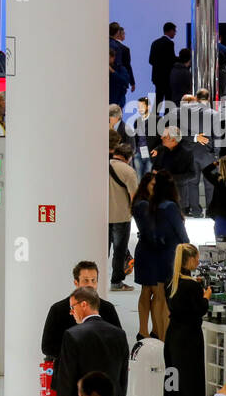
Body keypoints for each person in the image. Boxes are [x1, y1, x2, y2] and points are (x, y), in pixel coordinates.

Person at [133, 169, 188, 339]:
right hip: (154, 251)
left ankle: (152, 331)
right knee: (156, 292)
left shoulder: (147, 205)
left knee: (152, 291)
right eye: (152, 184)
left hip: (150, 249)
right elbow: (157, 231)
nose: (154, 187)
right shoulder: (149, 205)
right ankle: (154, 331)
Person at [163, 243, 210, 396]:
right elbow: (199, 310)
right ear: (188, 260)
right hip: (189, 337)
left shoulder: (171, 283)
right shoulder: (192, 285)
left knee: (173, 379)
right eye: (196, 258)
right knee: (190, 379)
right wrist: (205, 296)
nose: (198, 261)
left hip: (173, 336)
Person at [41, 261, 121, 361]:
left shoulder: (107, 308)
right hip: (67, 368)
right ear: (76, 282)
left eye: (93, 280)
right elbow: (47, 347)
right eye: (86, 281)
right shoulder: (58, 310)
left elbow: (118, 342)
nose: (90, 285)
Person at [107, 144, 138, 293]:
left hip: (101, 216)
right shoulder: (128, 171)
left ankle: (94, 280)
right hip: (121, 216)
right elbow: (134, 197)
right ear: (129, 158)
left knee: (101, 249)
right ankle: (116, 282)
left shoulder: (100, 165)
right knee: (119, 251)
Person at [149, 22, 177, 108]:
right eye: (174, 31)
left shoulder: (155, 42)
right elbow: (171, 60)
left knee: (158, 99)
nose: (175, 33)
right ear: (170, 31)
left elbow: (151, 60)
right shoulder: (169, 43)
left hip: (157, 77)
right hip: (167, 77)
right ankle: (167, 120)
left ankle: (154, 119)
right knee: (168, 100)